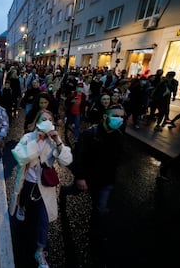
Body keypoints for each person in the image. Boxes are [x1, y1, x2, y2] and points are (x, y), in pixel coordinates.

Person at [10, 109, 72, 268]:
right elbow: (21, 157)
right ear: (37, 122)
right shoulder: (28, 137)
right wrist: (36, 142)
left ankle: (40, 250)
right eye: (43, 119)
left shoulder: (53, 140)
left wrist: (57, 140)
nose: (46, 121)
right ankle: (22, 208)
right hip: (27, 184)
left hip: (45, 187)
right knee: (24, 213)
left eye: (49, 119)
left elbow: (66, 161)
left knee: (43, 220)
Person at [70, 104, 125, 266]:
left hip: (106, 181)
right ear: (105, 117)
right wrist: (80, 177)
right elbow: (78, 157)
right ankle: (65, 191)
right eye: (116, 116)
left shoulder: (119, 135)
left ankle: (94, 234)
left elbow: (118, 158)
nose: (119, 120)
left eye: (122, 117)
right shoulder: (90, 134)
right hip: (87, 178)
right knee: (74, 190)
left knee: (100, 208)